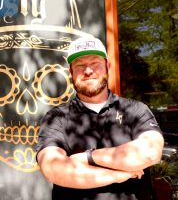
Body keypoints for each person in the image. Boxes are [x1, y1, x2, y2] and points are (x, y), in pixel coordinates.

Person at [36, 36, 164, 200]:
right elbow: (54, 169)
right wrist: (119, 175)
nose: (88, 71)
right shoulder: (57, 118)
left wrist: (88, 157)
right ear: (71, 72)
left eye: (95, 63)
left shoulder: (135, 110)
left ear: (107, 66)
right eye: (80, 65)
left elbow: (149, 153)